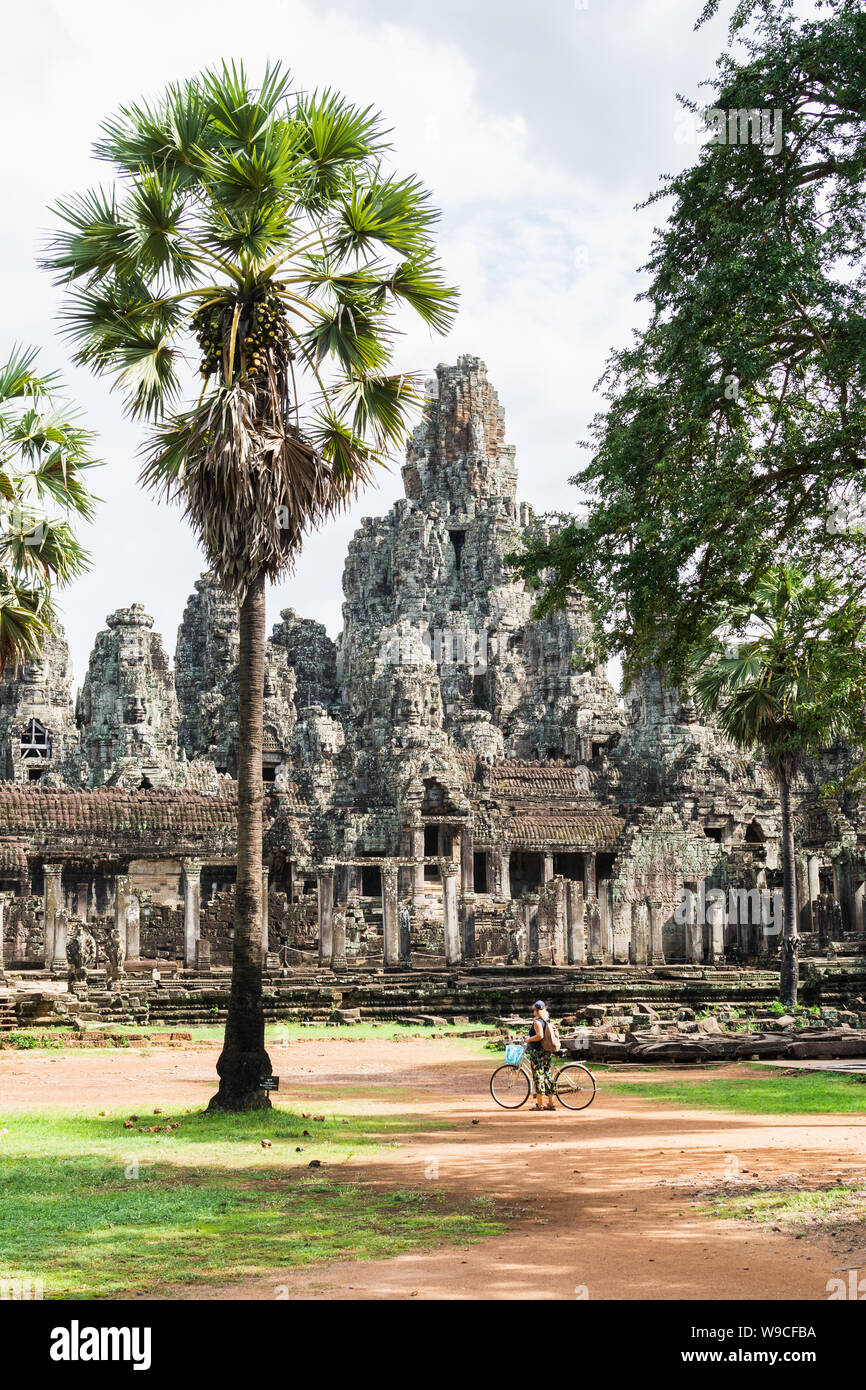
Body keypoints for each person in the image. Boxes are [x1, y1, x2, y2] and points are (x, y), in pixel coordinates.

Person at [527, 999, 556, 1111]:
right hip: (546, 1051)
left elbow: (540, 1036)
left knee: (538, 1076)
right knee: (547, 1075)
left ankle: (540, 1105)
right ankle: (551, 1103)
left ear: (535, 1010)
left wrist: (529, 1039)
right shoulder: (546, 1020)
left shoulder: (537, 1021)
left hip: (538, 1051)